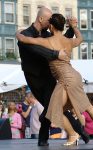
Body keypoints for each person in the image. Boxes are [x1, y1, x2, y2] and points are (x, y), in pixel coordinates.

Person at [16, 13, 93, 145]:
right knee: (88, 106)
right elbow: (80, 39)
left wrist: (18, 34)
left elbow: (27, 40)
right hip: (75, 76)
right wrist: (74, 27)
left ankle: (73, 135)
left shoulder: (47, 41)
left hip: (65, 79)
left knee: (55, 110)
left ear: (52, 26)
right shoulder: (68, 41)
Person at [17, 7, 75, 146]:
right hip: (34, 77)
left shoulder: (47, 34)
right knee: (51, 106)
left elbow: (61, 40)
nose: (51, 22)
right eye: (49, 20)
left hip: (48, 75)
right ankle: (78, 133)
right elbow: (38, 50)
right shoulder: (26, 34)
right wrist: (56, 54)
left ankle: (74, 133)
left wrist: (72, 29)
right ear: (41, 19)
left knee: (54, 105)